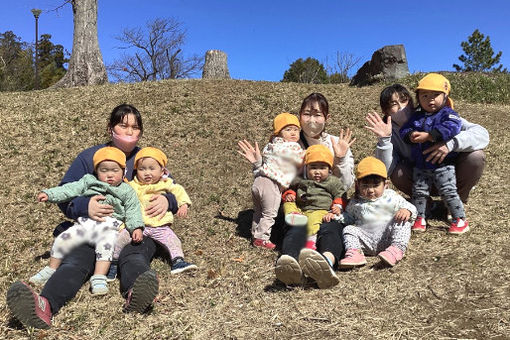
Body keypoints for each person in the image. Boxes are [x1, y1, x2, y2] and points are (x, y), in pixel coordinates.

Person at [7, 104, 179, 329]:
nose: (129, 132)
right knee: (77, 260)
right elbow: (67, 192)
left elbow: (173, 188)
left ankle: (137, 293)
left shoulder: (147, 157)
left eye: (135, 128)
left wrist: (169, 201)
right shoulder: (89, 158)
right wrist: (84, 207)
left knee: (134, 256)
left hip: (138, 229)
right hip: (95, 226)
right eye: (123, 125)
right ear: (110, 128)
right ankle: (45, 305)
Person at [29, 147, 144, 296]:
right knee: (63, 238)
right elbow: (69, 189)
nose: (109, 175)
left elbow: (133, 209)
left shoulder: (126, 190)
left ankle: (99, 277)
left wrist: (136, 227)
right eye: (104, 170)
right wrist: (49, 194)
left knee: (106, 247)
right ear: (96, 171)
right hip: (85, 224)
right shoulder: (88, 181)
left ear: (123, 171)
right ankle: (51, 268)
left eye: (114, 170)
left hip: (109, 228)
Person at [275, 93, 355, 289]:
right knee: (295, 229)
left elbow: (344, 186)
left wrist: (341, 159)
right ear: (299, 116)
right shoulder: (288, 143)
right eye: (307, 114)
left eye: (318, 114)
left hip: (328, 209)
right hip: (301, 207)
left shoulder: (336, 143)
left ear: (327, 118)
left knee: (331, 229)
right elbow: (280, 178)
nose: (312, 120)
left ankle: (327, 263)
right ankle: (289, 263)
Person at [366, 83, 488, 208]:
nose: (402, 107)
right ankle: (425, 203)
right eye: (393, 104)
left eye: (404, 101)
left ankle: (457, 203)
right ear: (385, 111)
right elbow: (384, 171)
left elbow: (482, 134)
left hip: (450, 174)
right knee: (398, 173)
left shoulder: (435, 114)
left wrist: (450, 144)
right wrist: (385, 140)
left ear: (412, 102)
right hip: (421, 179)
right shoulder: (389, 132)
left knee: (476, 156)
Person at [110, 146, 197, 277]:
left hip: (159, 226)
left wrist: (183, 204)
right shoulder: (132, 185)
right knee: (119, 240)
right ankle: (113, 264)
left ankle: (178, 261)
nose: (147, 173)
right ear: (136, 170)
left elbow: (178, 191)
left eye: (152, 168)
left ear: (162, 171)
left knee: (173, 240)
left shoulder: (165, 183)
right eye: (142, 169)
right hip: (136, 226)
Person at [399, 73, 468, 234]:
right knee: (419, 192)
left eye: (435, 95)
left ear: (445, 96)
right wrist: (410, 136)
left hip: (443, 164)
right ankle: (420, 217)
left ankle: (460, 219)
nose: (430, 99)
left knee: (448, 190)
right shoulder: (416, 116)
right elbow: (405, 129)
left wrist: (430, 136)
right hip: (421, 164)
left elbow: (452, 127)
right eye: (424, 95)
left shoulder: (447, 113)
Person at [238, 112, 305, 250]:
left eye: (296, 129)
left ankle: (255, 233)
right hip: (272, 184)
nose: (293, 133)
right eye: (288, 129)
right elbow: (301, 158)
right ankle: (262, 238)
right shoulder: (293, 147)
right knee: (270, 212)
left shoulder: (270, 146)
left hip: (258, 180)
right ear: (278, 133)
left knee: (258, 211)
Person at [338, 157, 417, 268]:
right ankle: (356, 253)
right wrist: (336, 216)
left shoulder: (391, 196)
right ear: (357, 185)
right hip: (366, 241)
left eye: (375, 185)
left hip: (388, 238)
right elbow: (348, 218)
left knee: (402, 221)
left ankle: (396, 249)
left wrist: (406, 210)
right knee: (349, 229)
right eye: (365, 186)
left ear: (385, 184)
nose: (370, 190)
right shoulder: (355, 202)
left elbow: (410, 207)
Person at [282, 144, 346, 250]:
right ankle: (293, 215)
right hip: (300, 210)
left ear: (329, 169)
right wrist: (290, 194)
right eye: (313, 167)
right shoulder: (300, 180)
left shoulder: (332, 181)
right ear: (306, 168)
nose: (317, 171)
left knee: (313, 221)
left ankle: (311, 241)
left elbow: (340, 194)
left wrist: (338, 206)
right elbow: (292, 188)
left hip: (319, 210)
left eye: (322, 168)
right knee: (287, 203)